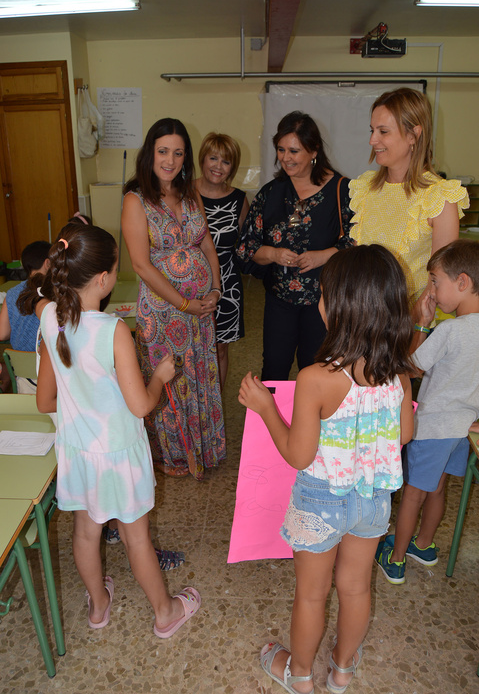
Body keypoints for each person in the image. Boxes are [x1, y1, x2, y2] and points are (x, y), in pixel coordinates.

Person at [239, 245, 414, 694]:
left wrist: (264, 408)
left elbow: (298, 455)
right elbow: (403, 438)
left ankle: (299, 677)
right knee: (356, 588)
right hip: (372, 500)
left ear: (336, 308)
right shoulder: (399, 375)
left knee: (312, 595)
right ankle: (340, 672)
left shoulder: (317, 378)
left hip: (320, 501)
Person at [36, 225, 201, 635]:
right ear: (104, 279)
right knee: (135, 538)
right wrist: (161, 375)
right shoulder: (113, 331)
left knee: (86, 533)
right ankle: (165, 613)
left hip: (76, 450)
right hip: (117, 453)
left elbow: (44, 402)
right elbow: (142, 405)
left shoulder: (48, 317)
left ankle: (98, 607)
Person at [122, 117, 226, 480]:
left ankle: (204, 448)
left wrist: (215, 289)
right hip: (164, 313)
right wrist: (184, 303)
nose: (170, 160)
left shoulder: (189, 192)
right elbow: (141, 264)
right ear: (150, 152)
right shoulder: (136, 200)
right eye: (163, 151)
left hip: (201, 309)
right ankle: (172, 456)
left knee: (199, 375)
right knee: (170, 383)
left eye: (178, 153)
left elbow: (207, 245)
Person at [376, 239, 479, 584]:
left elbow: (409, 367)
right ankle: (424, 544)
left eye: (435, 281)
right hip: (463, 430)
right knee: (437, 488)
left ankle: (397, 558)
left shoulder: (450, 329)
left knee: (414, 494)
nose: (432, 289)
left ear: (462, 283)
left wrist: (421, 324)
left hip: (432, 427)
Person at [236, 110, 353, 381]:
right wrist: (274, 254)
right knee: (274, 368)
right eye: (280, 149)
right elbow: (246, 247)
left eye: (294, 151)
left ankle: (310, 424)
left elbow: (358, 241)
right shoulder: (271, 193)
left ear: (314, 151)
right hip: (280, 301)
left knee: (317, 372)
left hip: (325, 303)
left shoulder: (342, 190)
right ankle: (270, 422)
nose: (286, 158)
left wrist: (323, 256)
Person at [349, 87, 469, 320]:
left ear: (414, 135)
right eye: (372, 130)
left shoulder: (439, 197)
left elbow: (439, 281)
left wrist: (403, 329)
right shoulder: (366, 188)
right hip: (364, 318)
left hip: (411, 325)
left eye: (383, 131)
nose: (373, 140)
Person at [195, 132, 249, 388]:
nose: (218, 166)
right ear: (202, 160)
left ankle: (215, 406)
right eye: (212, 158)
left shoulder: (239, 199)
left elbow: (246, 245)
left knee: (219, 350)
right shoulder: (184, 192)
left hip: (227, 285)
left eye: (225, 161)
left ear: (232, 167)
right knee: (189, 350)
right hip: (188, 284)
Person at [0, 240, 50, 393]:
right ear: (48, 263)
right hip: (52, 374)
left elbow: (2, 334)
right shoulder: (57, 291)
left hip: (24, 377)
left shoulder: (13, 293)